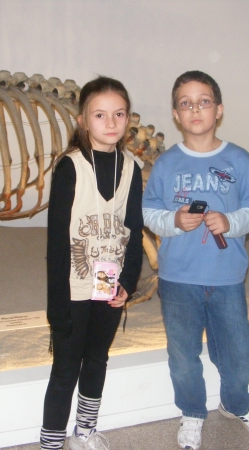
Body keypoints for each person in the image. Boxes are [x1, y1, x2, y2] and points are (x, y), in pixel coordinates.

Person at [142, 71, 249, 450]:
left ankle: (235, 404)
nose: (195, 109)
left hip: (227, 276)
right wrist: (174, 220)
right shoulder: (167, 164)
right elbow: (149, 211)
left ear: (219, 110)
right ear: (175, 114)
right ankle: (192, 412)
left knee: (238, 352)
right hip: (178, 278)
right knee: (183, 355)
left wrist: (230, 222)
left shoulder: (239, 159)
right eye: (186, 103)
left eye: (203, 102)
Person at [40, 76, 144, 450]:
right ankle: (51, 442)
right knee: (66, 368)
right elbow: (56, 241)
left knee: (97, 359)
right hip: (73, 286)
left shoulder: (131, 167)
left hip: (108, 284)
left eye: (119, 114)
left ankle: (85, 430)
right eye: (100, 114)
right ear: (83, 120)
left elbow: (134, 229)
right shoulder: (69, 167)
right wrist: (57, 306)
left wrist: (128, 281)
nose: (111, 122)